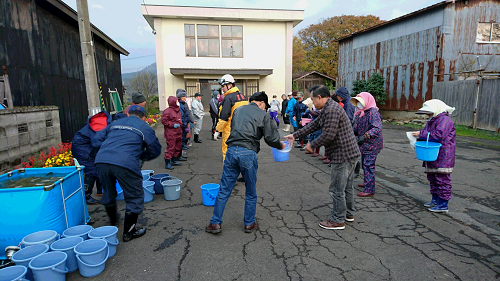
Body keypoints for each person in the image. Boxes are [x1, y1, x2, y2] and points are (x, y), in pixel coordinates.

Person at [206, 92, 286, 234]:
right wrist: (280, 146)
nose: (264, 108)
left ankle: (215, 223)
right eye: (264, 106)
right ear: (261, 102)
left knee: (224, 189)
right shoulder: (263, 115)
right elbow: (271, 138)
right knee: (250, 190)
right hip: (248, 153)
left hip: (231, 150)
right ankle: (249, 223)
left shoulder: (238, 110)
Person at [285, 85, 360, 230]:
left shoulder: (331, 109)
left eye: (313, 99)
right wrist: (294, 135)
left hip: (343, 154)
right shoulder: (328, 108)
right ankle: (349, 214)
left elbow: (328, 135)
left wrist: (311, 145)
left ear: (320, 97)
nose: (312, 103)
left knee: (337, 189)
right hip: (350, 152)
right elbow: (314, 125)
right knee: (347, 187)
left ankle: (338, 220)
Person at [92, 105, 161, 242]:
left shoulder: (115, 124)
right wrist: (141, 156)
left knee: (108, 191)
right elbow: (155, 149)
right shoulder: (144, 127)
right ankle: (129, 232)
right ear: (143, 117)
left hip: (101, 161)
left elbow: (95, 140)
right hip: (126, 163)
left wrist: (107, 150)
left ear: (127, 114)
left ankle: (113, 221)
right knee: (134, 195)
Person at [411, 99, 456, 213]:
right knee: (433, 178)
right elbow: (428, 132)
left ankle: (443, 204)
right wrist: (420, 135)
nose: (428, 115)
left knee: (442, 179)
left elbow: (438, 135)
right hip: (432, 154)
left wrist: (421, 134)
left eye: (429, 112)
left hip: (443, 155)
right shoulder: (433, 120)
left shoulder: (444, 120)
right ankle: (435, 200)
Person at [72, 111, 112, 205]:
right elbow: (98, 143)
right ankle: (86, 196)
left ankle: (100, 190)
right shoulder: (102, 125)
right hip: (82, 148)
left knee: (100, 165)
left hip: (88, 145)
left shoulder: (106, 122)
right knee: (92, 170)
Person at [350, 92, 383, 197]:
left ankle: (369, 189)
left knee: (368, 165)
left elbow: (377, 128)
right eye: (357, 102)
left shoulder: (373, 112)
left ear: (367, 101)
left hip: (372, 144)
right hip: (364, 144)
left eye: (360, 101)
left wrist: (366, 135)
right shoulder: (361, 112)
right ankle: (367, 182)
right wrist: (350, 132)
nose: (358, 104)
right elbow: (357, 128)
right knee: (365, 164)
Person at [215, 74, 248, 162]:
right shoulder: (243, 97)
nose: (222, 88)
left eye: (223, 86)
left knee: (228, 154)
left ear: (230, 85)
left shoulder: (228, 98)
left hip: (230, 131)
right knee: (241, 153)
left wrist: (218, 130)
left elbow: (224, 117)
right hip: (243, 131)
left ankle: (229, 175)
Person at [162, 96, 183, 170]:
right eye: (176, 101)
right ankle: (167, 162)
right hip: (171, 133)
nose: (178, 102)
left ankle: (174, 160)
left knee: (178, 147)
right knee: (171, 148)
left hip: (178, 132)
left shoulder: (178, 110)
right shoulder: (167, 111)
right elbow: (164, 121)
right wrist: (172, 125)